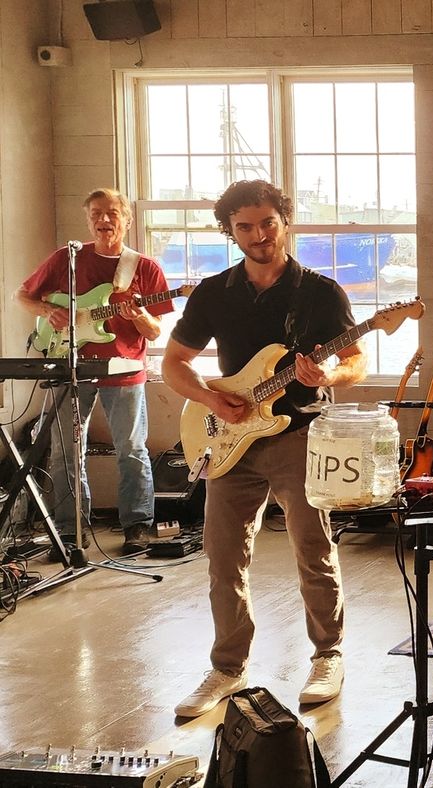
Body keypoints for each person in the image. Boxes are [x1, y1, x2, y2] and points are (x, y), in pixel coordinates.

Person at [162, 180, 366, 718]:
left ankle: (328, 655)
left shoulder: (320, 293)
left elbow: (356, 362)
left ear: (285, 221)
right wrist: (211, 398)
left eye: (267, 223)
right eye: (245, 227)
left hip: (297, 434)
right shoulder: (213, 292)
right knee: (223, 557)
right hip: (230, 440)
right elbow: (173, 363)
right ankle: (228, 668)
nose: (258, 235)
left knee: (312, 550)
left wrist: (329, 374)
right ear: (230, 231)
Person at [15, 189, 173, 554]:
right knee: (65, 452)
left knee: (131, 450)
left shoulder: (143, 267)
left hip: (124, 370)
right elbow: (21, 295)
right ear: (88, 220)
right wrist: (47, 311)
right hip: (69, 365)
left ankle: (137, 525)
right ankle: (71, 529)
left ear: (126, 220)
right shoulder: (67, 259)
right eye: (96, 214)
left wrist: (140, 316)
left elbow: (154, 331)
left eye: (112, 213)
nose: (104, 220)